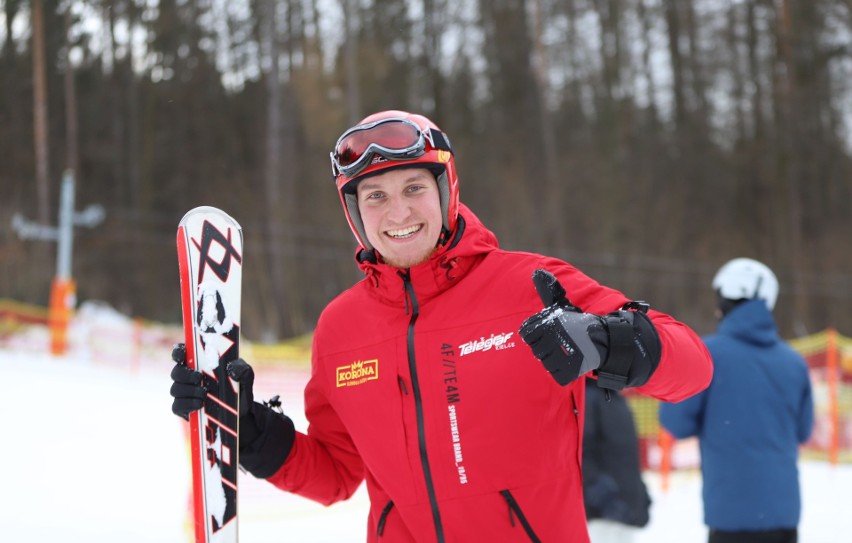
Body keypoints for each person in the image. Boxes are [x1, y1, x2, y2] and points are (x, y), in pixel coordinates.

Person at [171, 110, 713, 542]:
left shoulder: (529, 285)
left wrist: (609, 342)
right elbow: (336, 475)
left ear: (446, 191)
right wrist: (247, 427)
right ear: (355, 215)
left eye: (414, 188)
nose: (398, 212)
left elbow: (693, 367)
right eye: (375, 197)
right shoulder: (341, 328)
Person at [659, 258, 814, 543]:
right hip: (784, 515)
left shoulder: (708, 354)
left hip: (731, 516)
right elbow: (803, 431)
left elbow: (676, 422)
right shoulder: (794, 362)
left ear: (727, 300)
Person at [583, 380, 651, 543]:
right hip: (601, 517)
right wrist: (604, 499)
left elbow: (626, 456)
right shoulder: (588, 397)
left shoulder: (614, 397)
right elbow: (581, 453)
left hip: (624, 510)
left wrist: (640, 496)